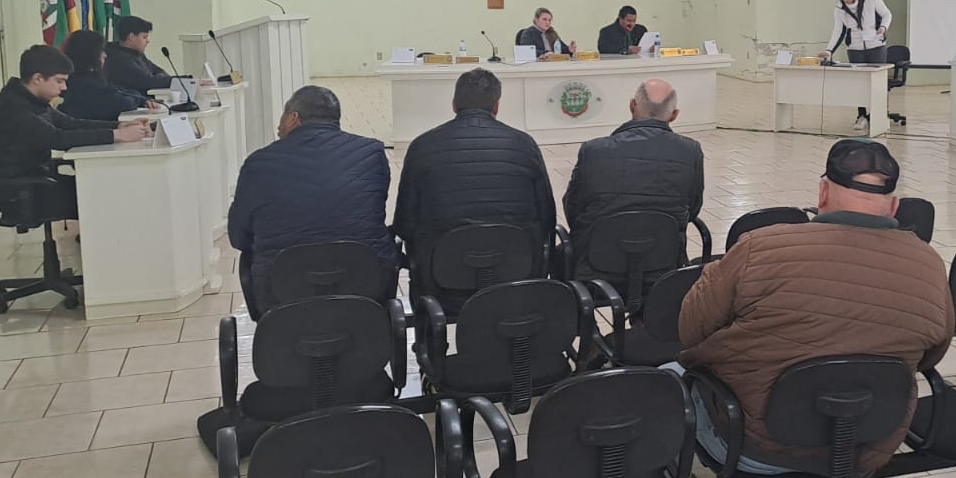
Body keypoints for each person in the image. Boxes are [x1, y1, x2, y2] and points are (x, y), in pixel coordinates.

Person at [673, 139, 954, 476]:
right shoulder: (929, 264)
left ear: (822, 193)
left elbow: (690, 329)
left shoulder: (761, 247)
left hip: (752, 446)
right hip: (865, 447)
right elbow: (932, 354)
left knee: (668, 376)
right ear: (894, 207)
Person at [393, 68, 556, 310]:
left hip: (441, 280)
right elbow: (547, 218)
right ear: (496, 106)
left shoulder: (422, 146)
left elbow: (405, 225)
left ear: (454, 104)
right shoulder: (524, 144)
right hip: (516, 274)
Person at [228, 86, 395, 321]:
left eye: (282, 117)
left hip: (281, 294)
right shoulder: (371, 153)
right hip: (365, 285)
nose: (278, 127)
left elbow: (239, 238)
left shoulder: (257, 163)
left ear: (293, 118)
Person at [0, 46, 150, 220]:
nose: (64, 87)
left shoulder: (31, 99)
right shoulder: (14, 108)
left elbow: (70, 123)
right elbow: (58, 138)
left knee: (106, 187)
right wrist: (118, 135)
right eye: (59, 81)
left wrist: (120, 126)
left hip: (37, 181)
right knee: (103, 196)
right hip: (21, 195)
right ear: (37, 78)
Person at [563, 79, 703, 283]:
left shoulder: (594, 150)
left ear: (632, 105)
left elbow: (573, 208)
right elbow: (693, 208)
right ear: (674, 115)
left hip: (594, 269)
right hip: (664, 267)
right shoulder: (690, 151)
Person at [815, 0, 894, 132]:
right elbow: (838, 31)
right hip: (855, 48)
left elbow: (887, 14)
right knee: (859, 84)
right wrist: (829, 50)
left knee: (878, 83)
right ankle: (862, 115)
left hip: (876, 46)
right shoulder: (839, 8)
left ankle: (880, 115)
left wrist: (883, 27)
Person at [57, 30, 163, 121]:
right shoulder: (81, 83)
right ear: (90, 54)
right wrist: (137, 99)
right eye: (101, 51)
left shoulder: (91, 77)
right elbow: (122, 103)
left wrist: (142, 99)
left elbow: (119, 90)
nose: (105, 55)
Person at [104, 15, 173, 92]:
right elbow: (147, 81)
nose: (148, 41)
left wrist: (164, 78)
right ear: (131, 37)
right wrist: (176, 80)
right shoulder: (117, 57)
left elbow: (158, 71)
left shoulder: (137, 54)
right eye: (144, 37)